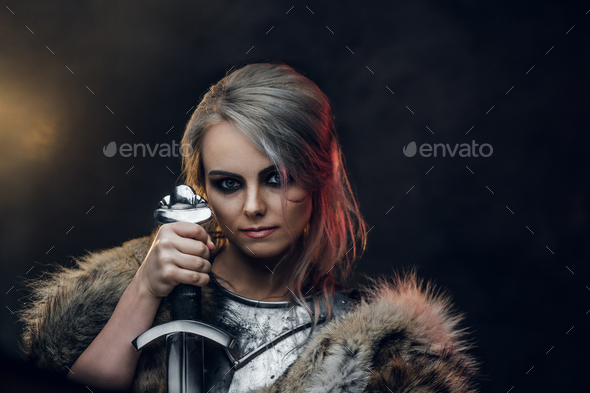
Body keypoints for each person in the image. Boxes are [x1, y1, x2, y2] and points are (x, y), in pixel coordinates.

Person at [17, 62, 480, 393]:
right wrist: (144, 288)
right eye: (229, 184)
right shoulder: (150, 290)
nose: (254, 207)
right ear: (203, 189)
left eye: (276, 178)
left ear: (319, 175)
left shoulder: (376, 347)